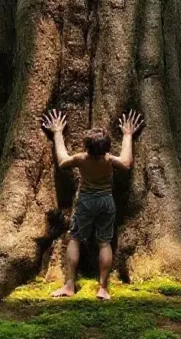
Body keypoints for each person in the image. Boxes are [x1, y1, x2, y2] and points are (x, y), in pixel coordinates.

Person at [42, 109, 144, 300]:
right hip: (106, 201)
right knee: (104, 242)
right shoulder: (108, 159)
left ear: (86, 147)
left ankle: (69, 285)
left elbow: (63, 161)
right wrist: (128, 135)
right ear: (106, 148)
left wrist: (57, 133)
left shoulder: (81, 159)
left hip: (86, 201)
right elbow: (126, 162)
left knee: (75, 239)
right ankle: (103, 288)